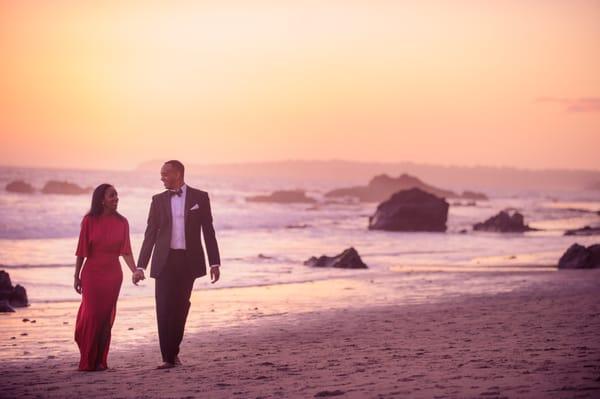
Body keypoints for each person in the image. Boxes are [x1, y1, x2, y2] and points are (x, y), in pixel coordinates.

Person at [135, 160, 221, 369]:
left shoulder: (200, 197)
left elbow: (208, 231)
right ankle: (168, 357)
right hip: (163, 261)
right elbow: (150, 235)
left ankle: (173, 352)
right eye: (161, 174)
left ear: (178, 174)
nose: (162, 177)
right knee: (163, 308)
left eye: (166, 174)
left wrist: (215, 262)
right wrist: (140, 266)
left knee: (181, 307)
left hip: (188, 261)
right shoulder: (157, 200)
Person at [74, 183, 141, 371]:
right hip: (92, 275)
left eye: (117, 195)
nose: (116, 199)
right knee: (91, 316)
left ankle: (100, 361)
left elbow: (126, 251)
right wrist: (76, 276)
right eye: (112, 196)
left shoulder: (122, 222)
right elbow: (81, 252)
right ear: (101, 200)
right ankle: (87, 358)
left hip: (113, 276)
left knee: (105, 320)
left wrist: (135, 270)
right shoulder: (88, 221)